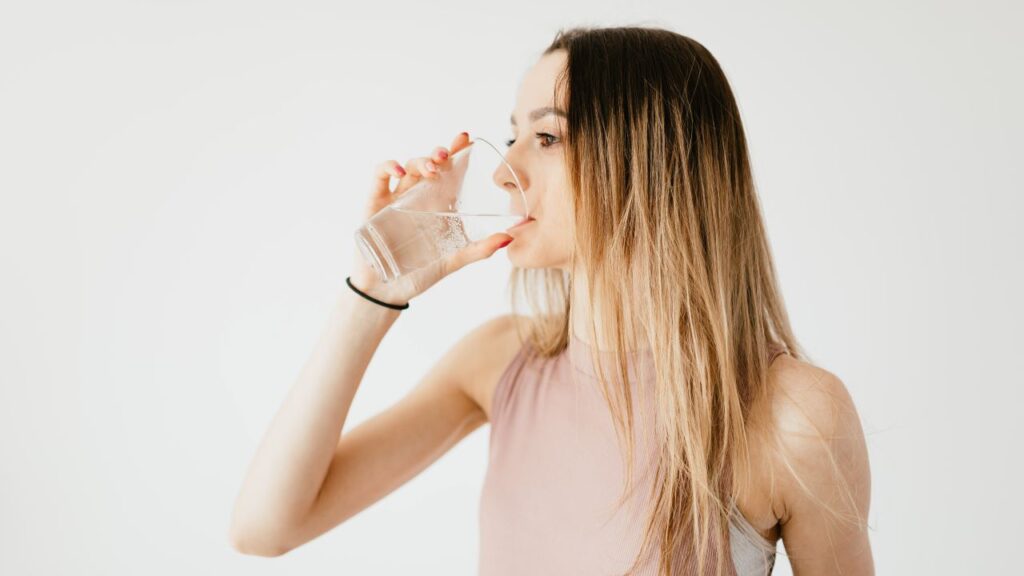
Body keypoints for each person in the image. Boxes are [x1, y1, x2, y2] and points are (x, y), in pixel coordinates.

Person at [228, 25, 875, 576]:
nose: (502, 171)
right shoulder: (502, 361)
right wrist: (371, 290)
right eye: (512, 136)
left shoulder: (793, 416)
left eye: (547, 138)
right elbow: (265, 528)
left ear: (652, 158)